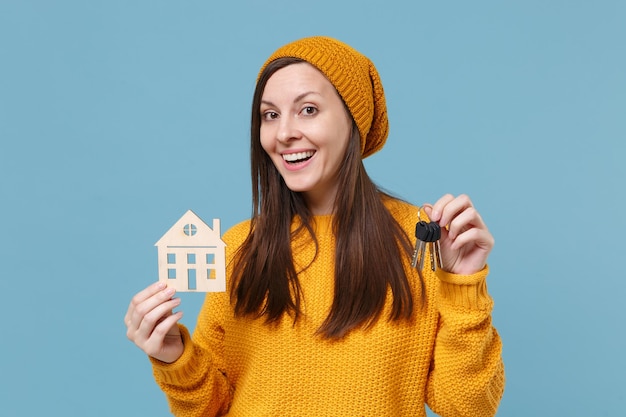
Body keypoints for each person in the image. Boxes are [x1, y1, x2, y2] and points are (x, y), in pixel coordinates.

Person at [125, 36, 505, 416]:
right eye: (270, 115)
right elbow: (211, 408)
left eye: (307, 109)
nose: (284, 132)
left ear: (354, 119)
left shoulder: (425, 242)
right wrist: (174, 354)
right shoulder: (239, 247)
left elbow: (467, 407)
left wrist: (464, 285)